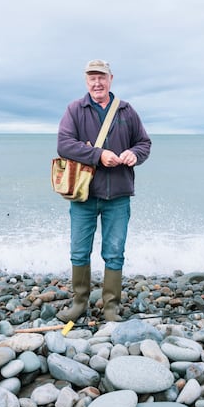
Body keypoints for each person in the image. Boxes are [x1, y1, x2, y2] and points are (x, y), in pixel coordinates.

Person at [56, 59, 151, 322]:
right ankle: (79, 303)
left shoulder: (126, 110)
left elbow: (144, 143)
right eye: (92, 78)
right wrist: (98, 155)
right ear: (86, 81)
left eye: (102, 77)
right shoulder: (75, 109)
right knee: (78, 250)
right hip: (84, 194)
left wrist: (134, 154)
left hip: (118, 195)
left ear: (111, 79)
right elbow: (64, 145)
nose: (97, 83)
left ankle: (111, 307)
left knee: (114, 252)